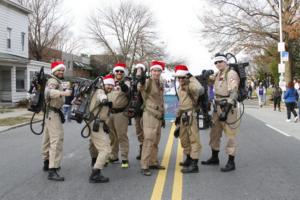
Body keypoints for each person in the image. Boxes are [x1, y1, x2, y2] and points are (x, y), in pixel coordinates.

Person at [201, 53, 240, 172]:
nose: (218, 64)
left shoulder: (231, 73)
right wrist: (205, 75)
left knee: (230, 136)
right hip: (217, 107)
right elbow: (207, 81)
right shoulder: (218, 74)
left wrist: (226, 110)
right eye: (216, 62)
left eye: (220, 62)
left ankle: (231, 161)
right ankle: (214, 157)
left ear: (225, 62)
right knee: (214, 133)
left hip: (228, 107)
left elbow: (234, 93)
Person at [42, 61, 72, 181]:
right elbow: (49, 92)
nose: (61, 72)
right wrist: (64, 93)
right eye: (59, 70)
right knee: (57, 140)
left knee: (47, 139)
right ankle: (52, 169)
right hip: (53, 114)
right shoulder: (53, 81)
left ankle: (46, 162)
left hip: (51, 113)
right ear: (54, 71)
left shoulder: (55, 81)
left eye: (62, 70)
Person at [174, 65, 203, 173]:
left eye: (183, 77)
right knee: (184, 138)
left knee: (194, 139)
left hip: (191, 115)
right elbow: (181, 103)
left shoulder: (191, 85)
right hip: (183, 115)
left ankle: (194, 164)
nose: (180, 79)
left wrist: (191, 77)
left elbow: (200, 89)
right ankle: (189, 158)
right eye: (179, 78)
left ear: (186, 77)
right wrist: (177, 116)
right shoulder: (180, 87)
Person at [138, 61, 165, 176]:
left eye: (158, 71)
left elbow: (161, 100)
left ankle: (153, 162)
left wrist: (163, 116)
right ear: (151, 71)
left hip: (158, 115)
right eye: (154, 70)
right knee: (148, 140)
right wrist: (141, 79)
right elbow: (141, 87)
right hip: (149, 114)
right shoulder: (148, 81)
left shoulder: (160, 83)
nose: (156, 73)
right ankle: (144, 165)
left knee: (156, 140)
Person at [88, 74, 115, 183]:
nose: (110, 87)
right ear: (104, 84)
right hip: (96, 124)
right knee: (106, 149)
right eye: (108, 84)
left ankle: (94, 162)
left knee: (93, 145)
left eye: (112, 85)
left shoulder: (100, 91)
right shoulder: (100, 91)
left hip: (95, 123)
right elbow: (101, 96)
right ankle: (95, 173)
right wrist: (104, 100)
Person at [107, 63, 130, 168]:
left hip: (121, 113)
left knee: (122, 136)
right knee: (112, 136)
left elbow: (128, 91)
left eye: (121, 71)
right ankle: (113, 156)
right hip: (109, 113)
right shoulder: (109, 82)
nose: (119, 73)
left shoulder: (126, 82)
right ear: (114, 72)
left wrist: (123, 85)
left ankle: (124, 158)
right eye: (117, 71)